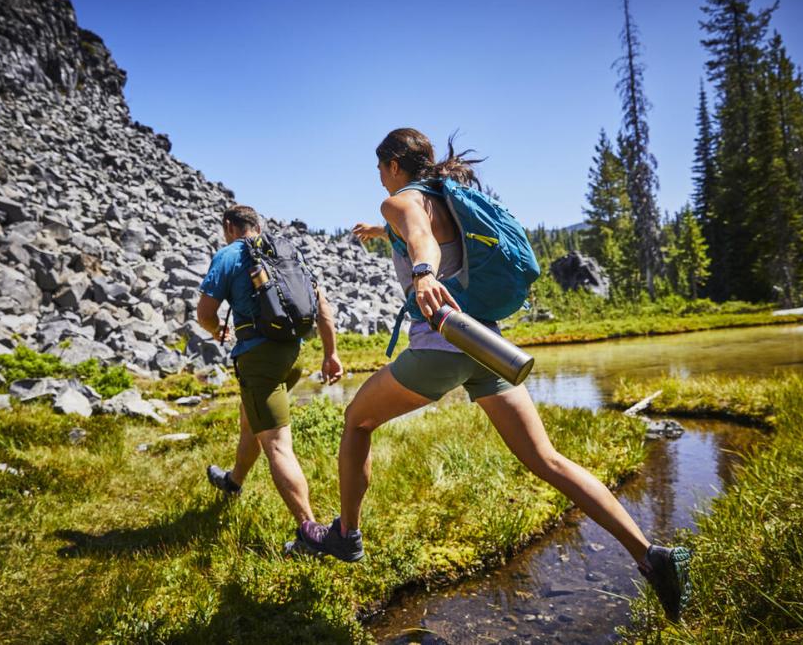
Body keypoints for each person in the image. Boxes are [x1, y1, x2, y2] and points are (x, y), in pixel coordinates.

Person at [295, 128, 691, 621]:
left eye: (380, 169)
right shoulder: (446, 196)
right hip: (487, 345)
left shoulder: (399, 202)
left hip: (443, 342)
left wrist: (422, 273)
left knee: (356, 420)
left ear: (394, 165)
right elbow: (424, 228)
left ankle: (346, 536)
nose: (379, 179)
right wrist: (383, 236)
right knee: (547, 458)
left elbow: (419, 233)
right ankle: (651, 557)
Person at [196, 204, 343, 535]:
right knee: (251, 419)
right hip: (295, 356)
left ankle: (311, 531)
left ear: (230, 226)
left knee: (276, 444)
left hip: (259, 360)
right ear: (257, 226)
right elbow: (323, 308)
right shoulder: (287, 252)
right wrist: (331, 353)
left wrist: (217, 329)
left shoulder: (230, 255)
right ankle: (233, 482)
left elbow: (204, 312)